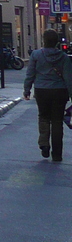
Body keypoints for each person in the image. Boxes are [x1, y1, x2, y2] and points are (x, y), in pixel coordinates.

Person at [23, 28, 72, 161]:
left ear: (44, 40)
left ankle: (44, 144)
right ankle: (57, 154)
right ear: (57, 42)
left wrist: (27, 90)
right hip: (60, 91)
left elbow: (30, 74)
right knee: (57, 121)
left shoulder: (36, 55)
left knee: (43, 117)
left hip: (41, 90)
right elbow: (68, 78)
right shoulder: (64, 57)